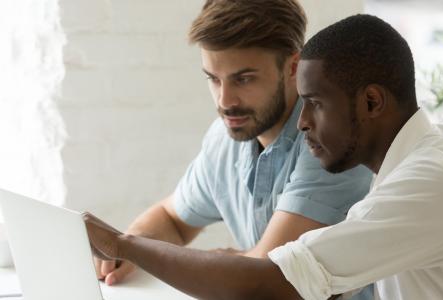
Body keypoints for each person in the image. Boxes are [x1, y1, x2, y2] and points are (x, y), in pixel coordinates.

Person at [86, 14, 443, 299]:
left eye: (316, 104)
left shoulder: (433, 178)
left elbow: (270, 285)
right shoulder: (413, 163)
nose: (302, 124)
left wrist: (125, 245)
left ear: (372, 101)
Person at [93, 0, 372, 297]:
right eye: (214, 79)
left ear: (293, 67)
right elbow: (173, 220)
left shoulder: (329, 144)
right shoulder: (225, 139)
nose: (225, 101)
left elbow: (265, 276)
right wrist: (128, 248)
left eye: (244, 79)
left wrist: (138, 249)